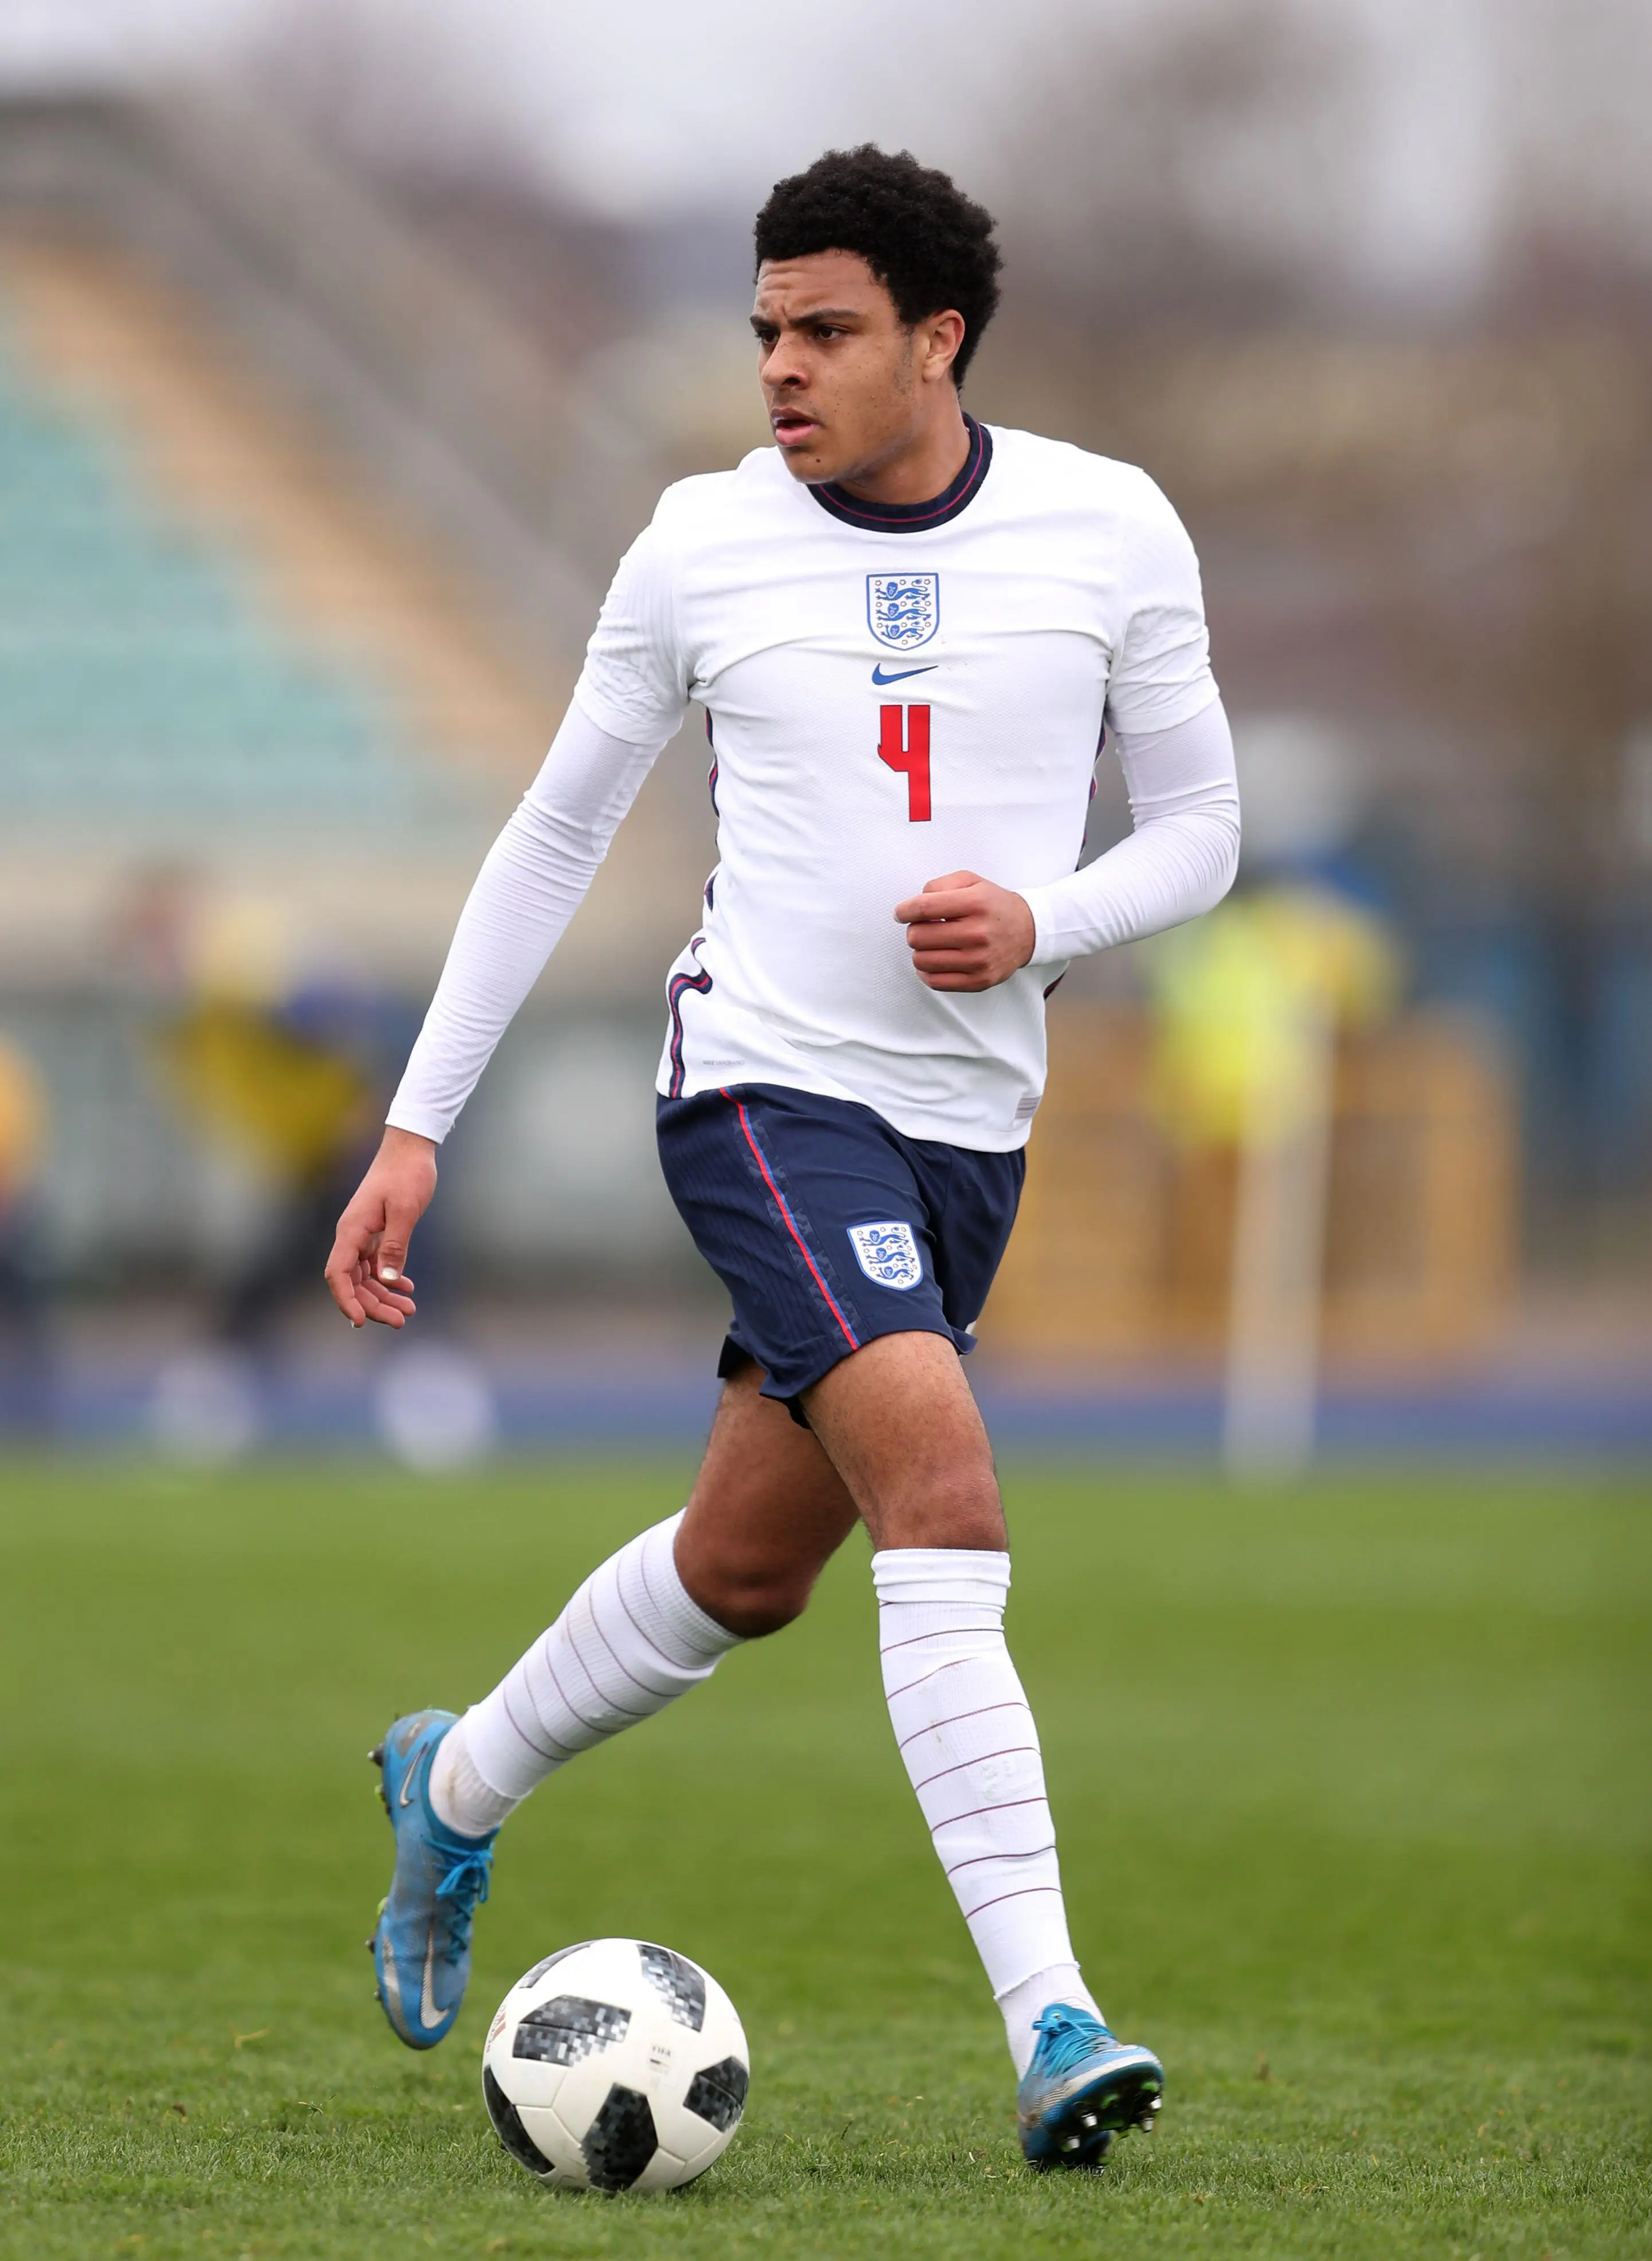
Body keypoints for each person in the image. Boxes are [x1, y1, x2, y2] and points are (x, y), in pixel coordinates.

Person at [326, 146, 1240, 2173]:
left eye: (823, 330)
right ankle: (1054, 2018)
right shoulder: (695, 547)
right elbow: (555, 833)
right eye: (761, 330)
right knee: (945, 1489)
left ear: (940, 337)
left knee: (747, 1569)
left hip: (966, 1128)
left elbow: (1201, 828)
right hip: (754, 1089)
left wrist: (1042, 921)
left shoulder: (1108, 526)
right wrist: (416, 1127)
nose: (778, 368)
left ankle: (453, 1783)